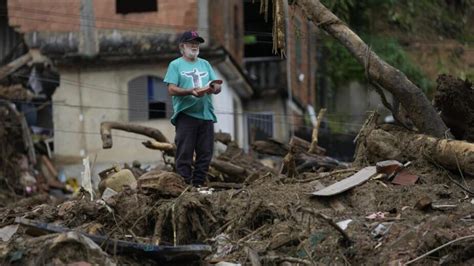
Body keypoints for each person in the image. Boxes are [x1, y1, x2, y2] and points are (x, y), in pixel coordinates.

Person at [164, 31, 222, 187]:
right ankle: (184, 187)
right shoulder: (175, 65)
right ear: (182, 46)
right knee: (185, 153)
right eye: (191, 43)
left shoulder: (205, 64)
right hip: (186, 115)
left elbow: (215, 84)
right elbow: (171, 89)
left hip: (206, 115)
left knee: (206, 154)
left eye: (197, 43)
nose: (195, 46)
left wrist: (215, 87)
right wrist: (190, 91)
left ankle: (198, 186)